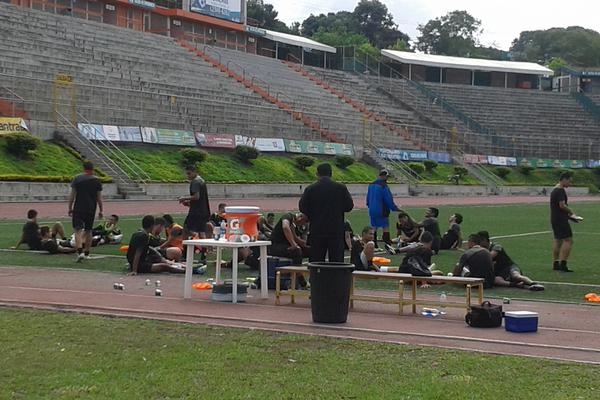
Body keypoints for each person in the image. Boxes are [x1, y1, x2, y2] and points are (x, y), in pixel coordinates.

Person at [299, 163, 354, 262]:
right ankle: (335, 278)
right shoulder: (341, 188)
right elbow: (349, 206)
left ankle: (316, 277)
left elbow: (303, 207)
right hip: (336, 230)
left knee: (316, 262)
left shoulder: (311, 189)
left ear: (317, 174)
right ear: (331, 174)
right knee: (336, 262)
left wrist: (313, 214)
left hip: (317, 230)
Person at [478, 231, 544, 291]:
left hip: (509, 267)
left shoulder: (496, 246)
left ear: (484, 239)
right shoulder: (481, 250)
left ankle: (533, 283)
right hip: (499, 272)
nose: (479, 244)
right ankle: (515, 284)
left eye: (479, 241)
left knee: (516, 276)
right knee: (495, 280)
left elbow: (489, 257)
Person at [68, 161, 103, 262]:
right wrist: (101, 210)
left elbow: (72, 195)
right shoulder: (97, 181)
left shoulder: (77, 178)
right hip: (91, 208)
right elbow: (99, 198)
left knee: (78, 230)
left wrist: (70, 207)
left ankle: (79, 252)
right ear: (93, 169)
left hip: (79, 207)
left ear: (83, 168)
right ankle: (87, 252)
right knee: (88, 230)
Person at [550, 172, 578, 272]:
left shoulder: (554, 190)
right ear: (564, 179)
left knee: (558, 240)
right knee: (568, 240)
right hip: (561, 219)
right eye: (569, 181)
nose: (570, 184)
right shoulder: (560, 190)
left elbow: (557, 208)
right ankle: (563, 264)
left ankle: (556, 263)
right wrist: (571, 212)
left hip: (555, 218)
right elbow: (562, 205)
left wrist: (570, 217)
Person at [366, 169, 400, 248]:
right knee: (385, 226)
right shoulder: (384, 186)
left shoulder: (371, 185)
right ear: (384, 176)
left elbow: (368, 197)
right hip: (382, 209)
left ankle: (374, 245)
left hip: (372, 209)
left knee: (374, 226)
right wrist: (395, 208)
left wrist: (368, 205)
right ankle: (387, 244)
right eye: (387, 177)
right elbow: (388, 199)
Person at [178, 165, 210, 238]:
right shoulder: (201, 180)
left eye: (189, 173)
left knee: (186, 228)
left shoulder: (195, 182)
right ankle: (204, 247)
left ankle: (186, 245)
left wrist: (184, 198)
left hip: (196, 212)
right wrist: (189, 203)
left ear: (194, 172)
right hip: (203, 210)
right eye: (187, 174)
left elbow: (196, 196)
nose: (187, 176)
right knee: (201, 231)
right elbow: (200, 199)